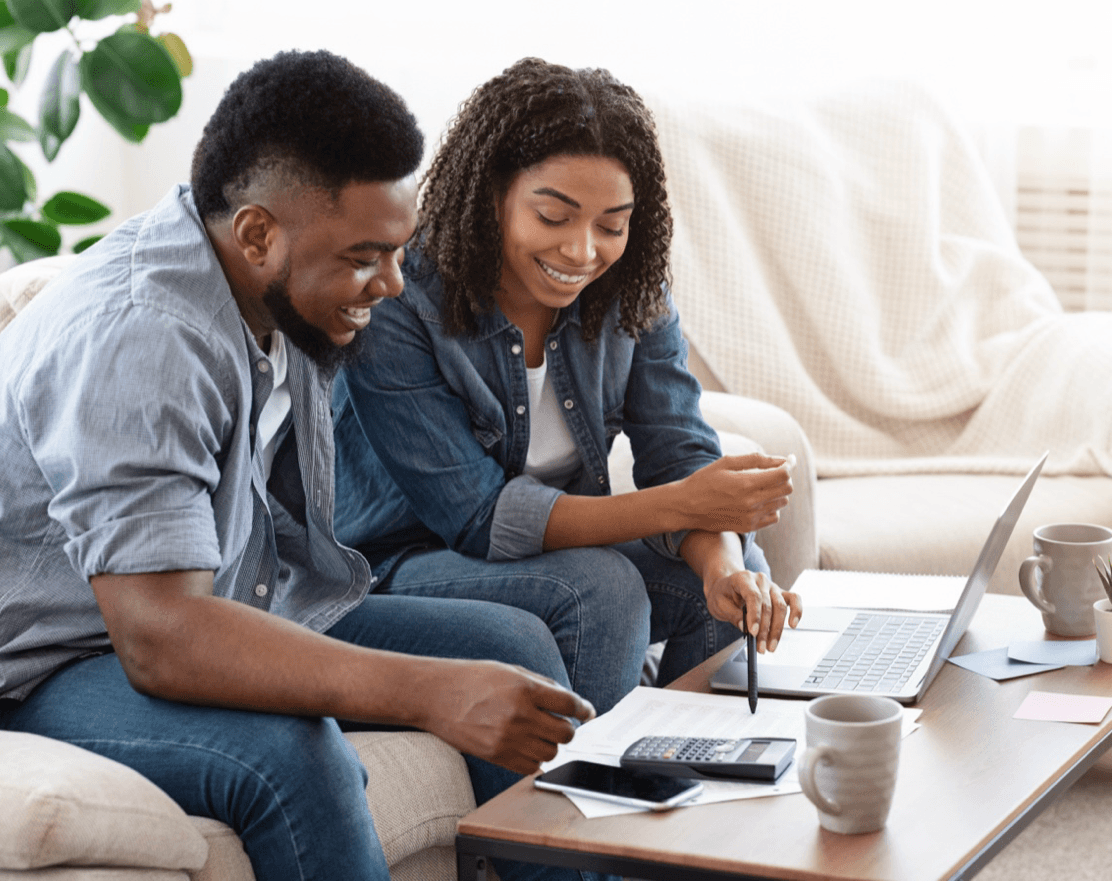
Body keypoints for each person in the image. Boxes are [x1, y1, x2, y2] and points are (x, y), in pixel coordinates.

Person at [0, 50, 594, 880]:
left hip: (204, 594)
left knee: (514, 643)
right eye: (364, 256)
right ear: (256, 233)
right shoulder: (144, 337)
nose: (391, 283)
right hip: (27, 661)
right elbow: (162, 636)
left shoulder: (274, 292)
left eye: (397, 251)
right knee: (293, 751)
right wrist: (429, 690)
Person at [332, 57, 804, 717]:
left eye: (611, 225)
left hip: (538, 558)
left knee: (728, 573)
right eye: (554, 216)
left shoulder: (631, 294)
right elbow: (475, 517)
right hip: (397, 563)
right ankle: (592, 802)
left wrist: (724, 560)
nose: (583, 251)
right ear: (491, 192)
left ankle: (693, 772)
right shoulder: (402, 298)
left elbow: (677, 450)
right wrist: (682, 504)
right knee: (602, 589)